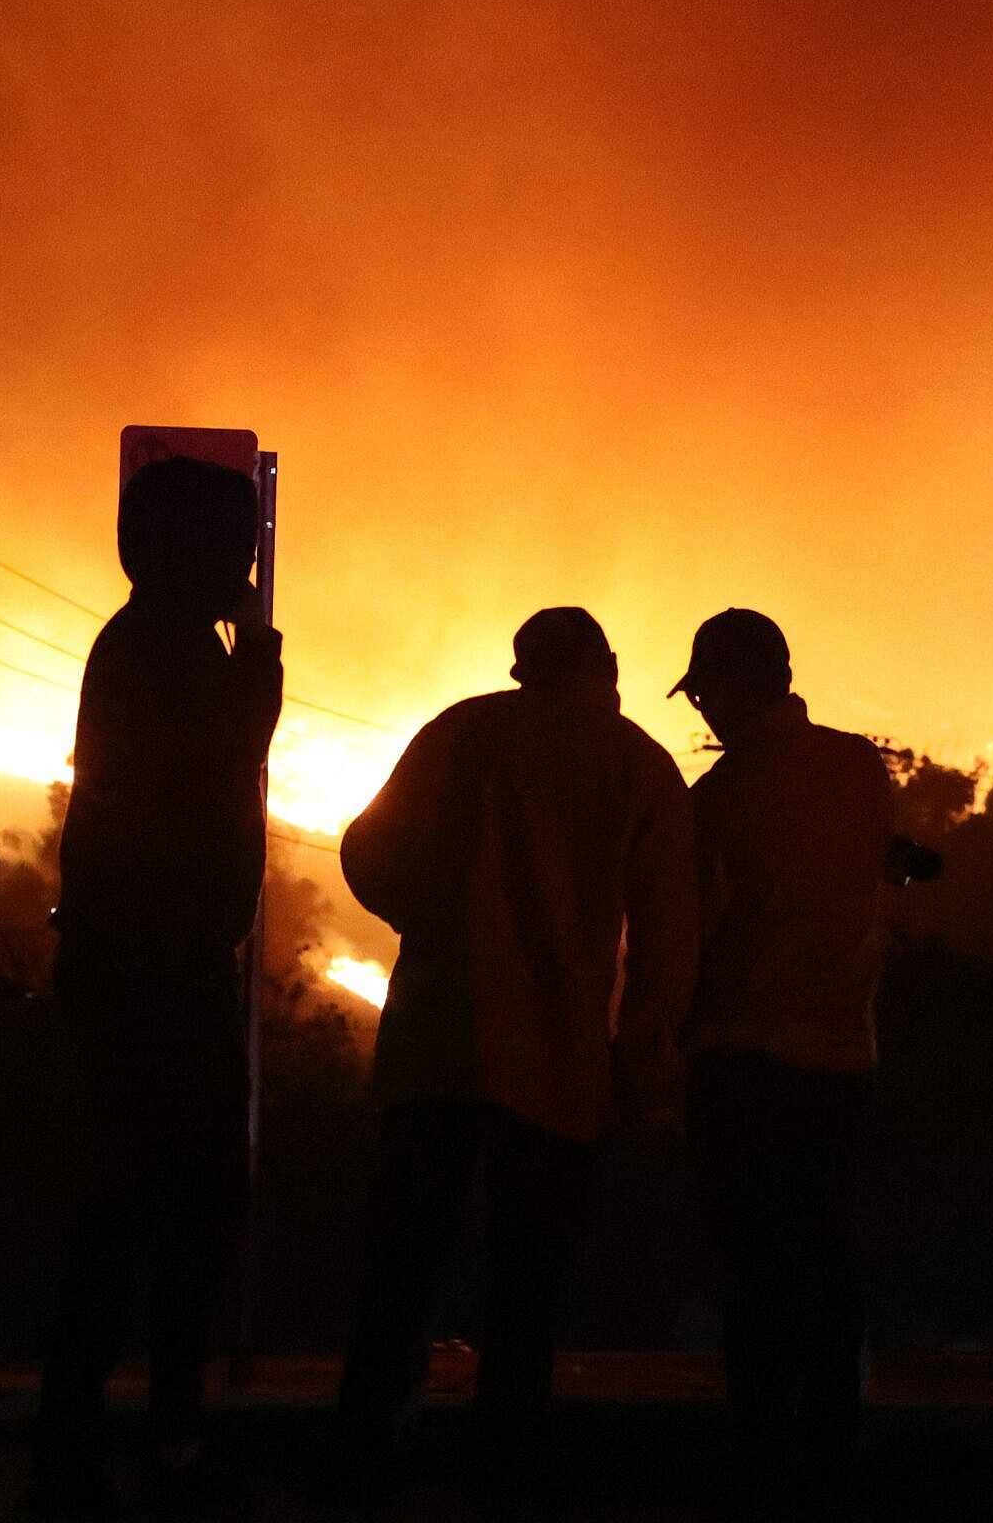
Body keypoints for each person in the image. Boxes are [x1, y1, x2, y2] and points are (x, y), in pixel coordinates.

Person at [337, 607, 697, 1473]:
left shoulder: (461, 732)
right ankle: (508, 1458)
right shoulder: (640, 767)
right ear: (608, 666)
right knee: (527, 1281)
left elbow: (367, 853)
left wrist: (430, 919)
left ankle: (366, 1447)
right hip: (556, 1057)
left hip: (438, 1041)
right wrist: (641, 1066)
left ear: (520, 668)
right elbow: (667, 940)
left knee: (403, 1265)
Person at [29, 456, 282, 1515]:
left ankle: (106, 1438)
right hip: (154, 982)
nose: (248, 563)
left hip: (146, 974)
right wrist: (257, 679)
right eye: (233, 544)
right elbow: (213, 776)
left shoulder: (150, 644)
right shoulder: (164, 655)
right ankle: (139, 1440)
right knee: (160, 1217)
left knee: (144, 1218)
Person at [672, 608, 896, 1476]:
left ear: (727, 688)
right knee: (828, 1249)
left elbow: (690, 930)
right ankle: (837, 1432)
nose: (702, 714)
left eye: (704, 694)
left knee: (754, 1261)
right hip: (843, 1052)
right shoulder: (857, 765)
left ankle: (762, 1441)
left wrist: (656, 1036)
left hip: (742, 1056)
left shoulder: (721, 799)